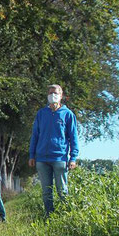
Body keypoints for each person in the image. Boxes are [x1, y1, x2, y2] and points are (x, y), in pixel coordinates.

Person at [28, 84, 79, 217]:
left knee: (62, 190)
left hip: (60, 158)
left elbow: (73, 137)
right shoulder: (41, 114)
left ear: (61, 96)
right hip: (41, 159)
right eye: (50, 93)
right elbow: (35, 135)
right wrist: (32, 155)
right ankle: (49, 216)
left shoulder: (68, 114)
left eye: (55, 93)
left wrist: (73, 158)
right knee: (46, 191)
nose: (52, 95)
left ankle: (66, 216)